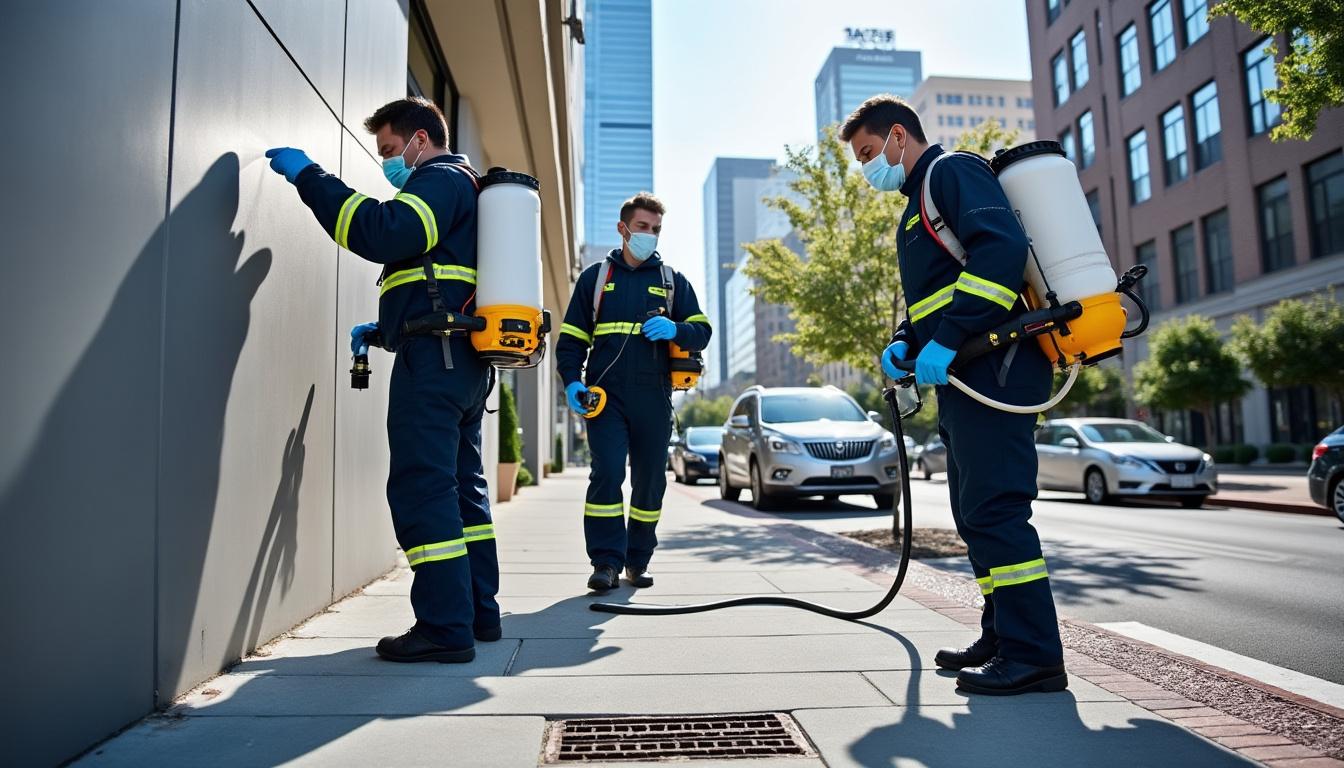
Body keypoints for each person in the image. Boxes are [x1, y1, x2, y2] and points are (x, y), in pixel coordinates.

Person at [842, 94, 1067, 695]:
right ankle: (1002, 636)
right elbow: (935, 296)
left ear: (897, 136)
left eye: (868, 153)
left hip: (999, 367)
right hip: (965, 374)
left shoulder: (952, 173)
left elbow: (1000, 254)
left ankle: (1035, 656)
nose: (867, 167)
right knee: (974, 515)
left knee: (998, 511)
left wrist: (941, 340)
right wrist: (904, 342)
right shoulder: (915, 208)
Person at [265, 97, 498, 664]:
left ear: (420, 138)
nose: (390, 163)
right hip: (459, 362)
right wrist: (388, 327)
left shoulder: (439, 178)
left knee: (422, 488)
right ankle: (477, 614)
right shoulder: (466, 187)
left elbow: (385, 232)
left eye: (391, 150)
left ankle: (444, 628)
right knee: (464, 492)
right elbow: (438, 274)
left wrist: (311, 177)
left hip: (434, 365)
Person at [555, 193, 712, 592]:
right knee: (606, 474)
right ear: (623, 229)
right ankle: (606, 562)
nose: (650, 235)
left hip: (654, 397)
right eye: (643, 227)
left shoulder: (672, 282)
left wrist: (677, 329)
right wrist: (572, 380)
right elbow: (571, 338)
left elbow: (702, 329)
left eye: (656, 229)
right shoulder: (595, 279)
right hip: (605, 396)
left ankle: (637, 561)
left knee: (649, 483)